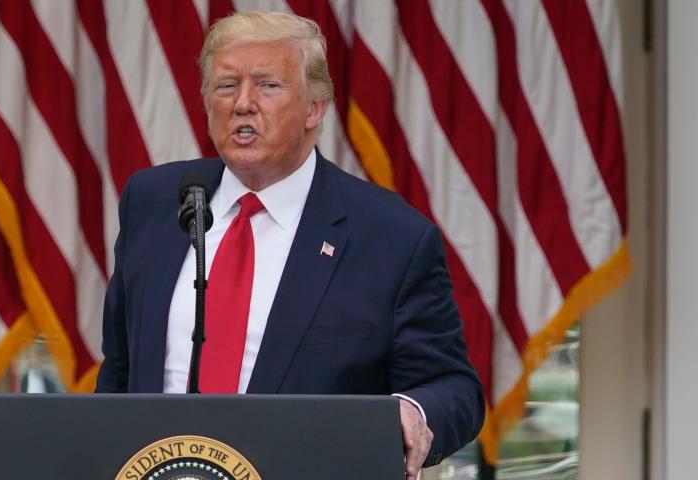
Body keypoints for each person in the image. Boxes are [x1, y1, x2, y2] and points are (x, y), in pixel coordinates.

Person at [96, 11, 484, 479]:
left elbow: (452, 385)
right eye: (225, 86)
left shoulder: (391, 237)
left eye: (268, 86)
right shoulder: (155, 203)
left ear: (314, 109)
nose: (243, 103)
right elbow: (119, 374)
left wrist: (413, 414)